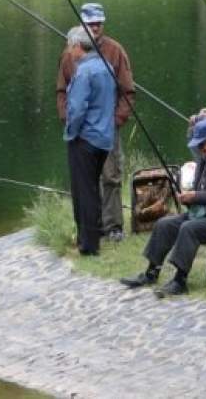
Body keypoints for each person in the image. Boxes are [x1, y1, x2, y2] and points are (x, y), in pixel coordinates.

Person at [120, 118, 206, 297]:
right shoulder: (205, 159)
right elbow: (201, 191)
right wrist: (187, 198)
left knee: (189, 228)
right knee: (164, 224)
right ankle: (151, 273)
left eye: (202, 144)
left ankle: (180, 281)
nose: (200, 149)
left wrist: (196, 196)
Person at [56, 3, 135, 242]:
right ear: (82, 24)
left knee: (111, 176)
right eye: (90, 24)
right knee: (85, 181)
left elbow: (128, 92)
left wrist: (116, 120)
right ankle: (92, 227)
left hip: (107, 128)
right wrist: (67, 120)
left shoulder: (115, 50)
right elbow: (61, 90)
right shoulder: (69, 53)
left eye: (98, 23)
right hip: (80, 131)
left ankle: (113, 226)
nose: (95, 27)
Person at [63, 25, 117, 256]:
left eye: (69, 46)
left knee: (83, 191)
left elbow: (76, 109)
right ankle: (94, 237)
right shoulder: (106, 66)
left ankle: (88, 245)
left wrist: (71, 133)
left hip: (85, 139)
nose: (68, 51)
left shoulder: (84, 72)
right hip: (105, 139)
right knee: (93, 189)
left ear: (77, 47)